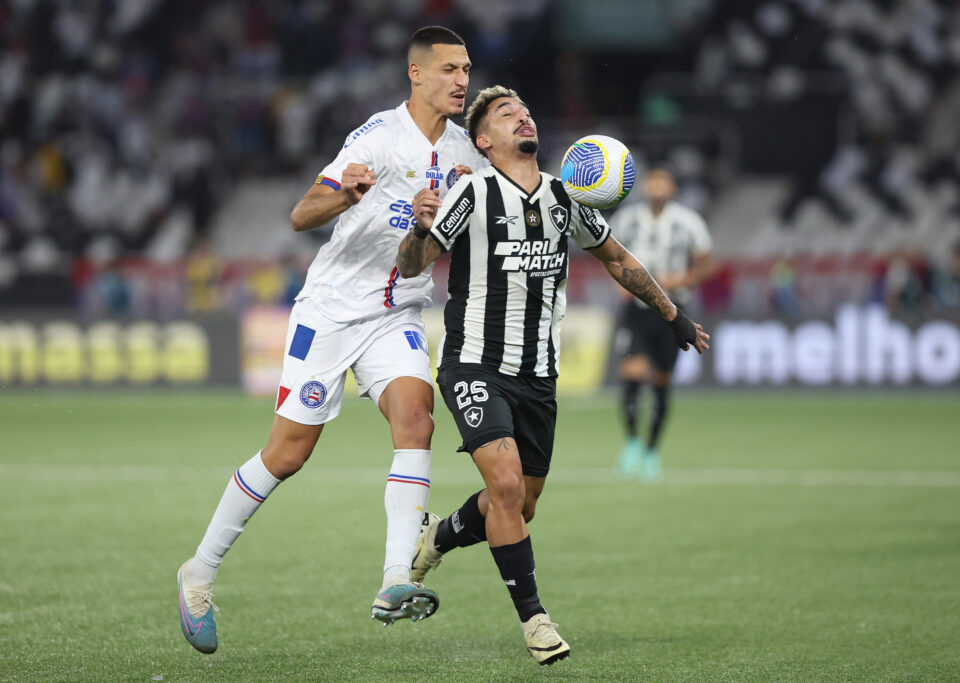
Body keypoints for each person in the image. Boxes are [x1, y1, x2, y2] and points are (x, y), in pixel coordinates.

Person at [176, 26, 487, 655]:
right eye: (450, 69)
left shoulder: (467, 157)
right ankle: (199, 571)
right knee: (287, 454)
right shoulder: (376, 138)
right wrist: (346, 193)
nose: (461, 81)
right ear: (416, 73)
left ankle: (395, 579)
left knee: (417, 419)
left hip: (397, 311)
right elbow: (301, 214)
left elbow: (428, 256)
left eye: (467, 69)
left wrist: (435, 225)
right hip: (332, 311)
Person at [396, 86, 709, 665]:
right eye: (506, 113)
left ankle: (438, 536)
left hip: (538, 375)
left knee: (521, 503)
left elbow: (618, 258)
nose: (523, 115)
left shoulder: (566, 199)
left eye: (526, 110)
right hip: (475, 364)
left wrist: (674, 316)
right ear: (484, 140)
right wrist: (418, 228)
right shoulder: (472, 192)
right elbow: (414, 262)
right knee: (507, 487)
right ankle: (536, 619)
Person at [612, 168, 714, 480]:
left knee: (661, 381)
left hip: (673, 308)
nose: (657, 187)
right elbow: (609, 253)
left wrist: (682, 279)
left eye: (663, 181)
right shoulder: (628, 218)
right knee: (631, 372)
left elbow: (708, 262)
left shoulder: (688, 221)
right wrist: (619, 281)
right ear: (645, 186)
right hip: (638, 308)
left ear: (672, 188)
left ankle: (652, 450)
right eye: (652, 181)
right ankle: (631, 442)